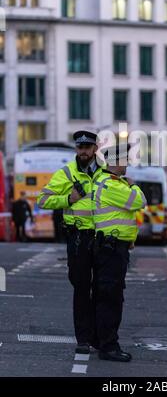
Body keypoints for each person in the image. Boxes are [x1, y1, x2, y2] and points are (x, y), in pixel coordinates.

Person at [37, 130, 102, 354]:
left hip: (103, 238)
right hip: (78, 239)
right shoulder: (66, 173)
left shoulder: (106, 173)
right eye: (79, 147)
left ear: (95, 149)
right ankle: (83, 339)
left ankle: (101, 338)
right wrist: (68, 199)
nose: (83, 151)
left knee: (104, 289)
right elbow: (42, 199)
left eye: (87, 147)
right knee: (81, 288)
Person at [92, 143, 146, 362]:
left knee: (104, 296)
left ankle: (101, 340)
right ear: (114, 163)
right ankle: (109, 346)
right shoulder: (112, 184)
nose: (127, 164)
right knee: (111, 299)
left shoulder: (108, 182)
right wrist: (134, 186)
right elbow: (139, 201)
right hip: (111, 250)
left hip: (111, 248)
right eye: (124, 160)